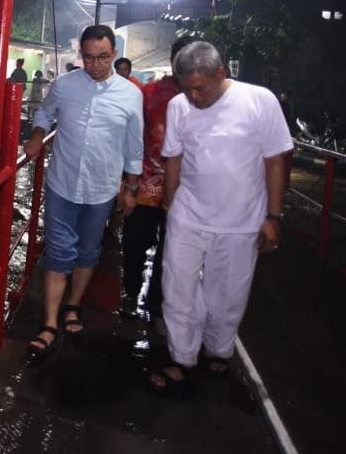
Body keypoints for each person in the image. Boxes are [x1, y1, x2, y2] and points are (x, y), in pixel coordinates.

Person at [150, 41, 292, 394]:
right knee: (177, 287)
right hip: (189, 214)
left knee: (227, 292)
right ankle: (182, 356)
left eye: (201, 87)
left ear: (221, 73)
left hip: (241, 220)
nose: (194, 96)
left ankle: (217, 348)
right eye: (187, 88)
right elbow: (175, 158)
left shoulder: (260, 101)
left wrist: (273, 217)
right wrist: (169, 205)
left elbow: (275, 160)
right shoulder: (179, 106)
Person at [23, 25, 144, 357]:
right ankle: (49, 323)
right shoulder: (64, 86)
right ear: (81, 56)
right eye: (88, 57)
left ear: (114, 55)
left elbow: (135, 147)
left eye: (102, 57)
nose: (95, 64)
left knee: (88, 251)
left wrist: (130, 188)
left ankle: (73, 305)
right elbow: (45, 113)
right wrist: (36, 136)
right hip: (62, 182)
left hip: (102, 188)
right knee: (60, 252)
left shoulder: (131, 95)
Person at [121, 36, 197, 323]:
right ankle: (130, 294)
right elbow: (131, 139)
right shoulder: (150, 93)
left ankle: (156, 304)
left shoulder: (208, 98)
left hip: (188, 194)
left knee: (174, 252)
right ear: (173, 61)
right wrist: (126, 184)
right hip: (145, 187)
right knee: (135, 244)